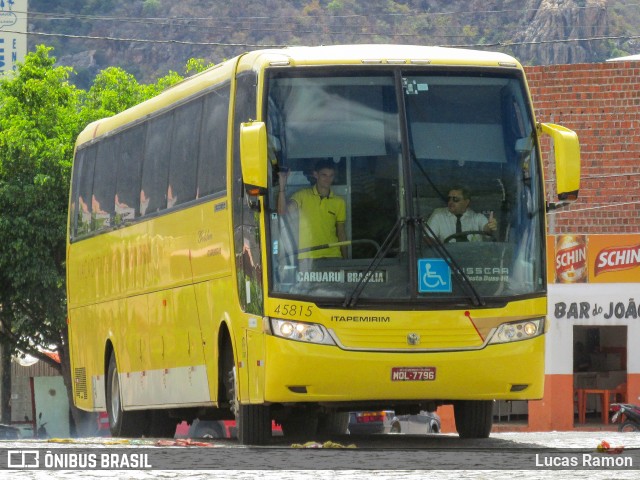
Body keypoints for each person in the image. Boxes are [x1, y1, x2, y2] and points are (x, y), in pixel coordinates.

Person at [278, 159, 347, 259]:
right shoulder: (302, 196)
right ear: (316, 175)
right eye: (324, 175)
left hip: (333, 256)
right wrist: (282, 186)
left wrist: (346, 261)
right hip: (307, 259)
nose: (328, 179)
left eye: (331, 175)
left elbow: (341, 232)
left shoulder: (339, 202)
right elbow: (282, 211)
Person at [427, 186, 497, 242]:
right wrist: (440, 249)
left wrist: (490, 227)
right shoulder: (438, 215)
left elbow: (487, 230)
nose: (450, 202)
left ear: (466, 202)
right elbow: (428, 238)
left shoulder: (477, 218)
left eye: (455, 199)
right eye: (449, 199)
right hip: (446, 257)